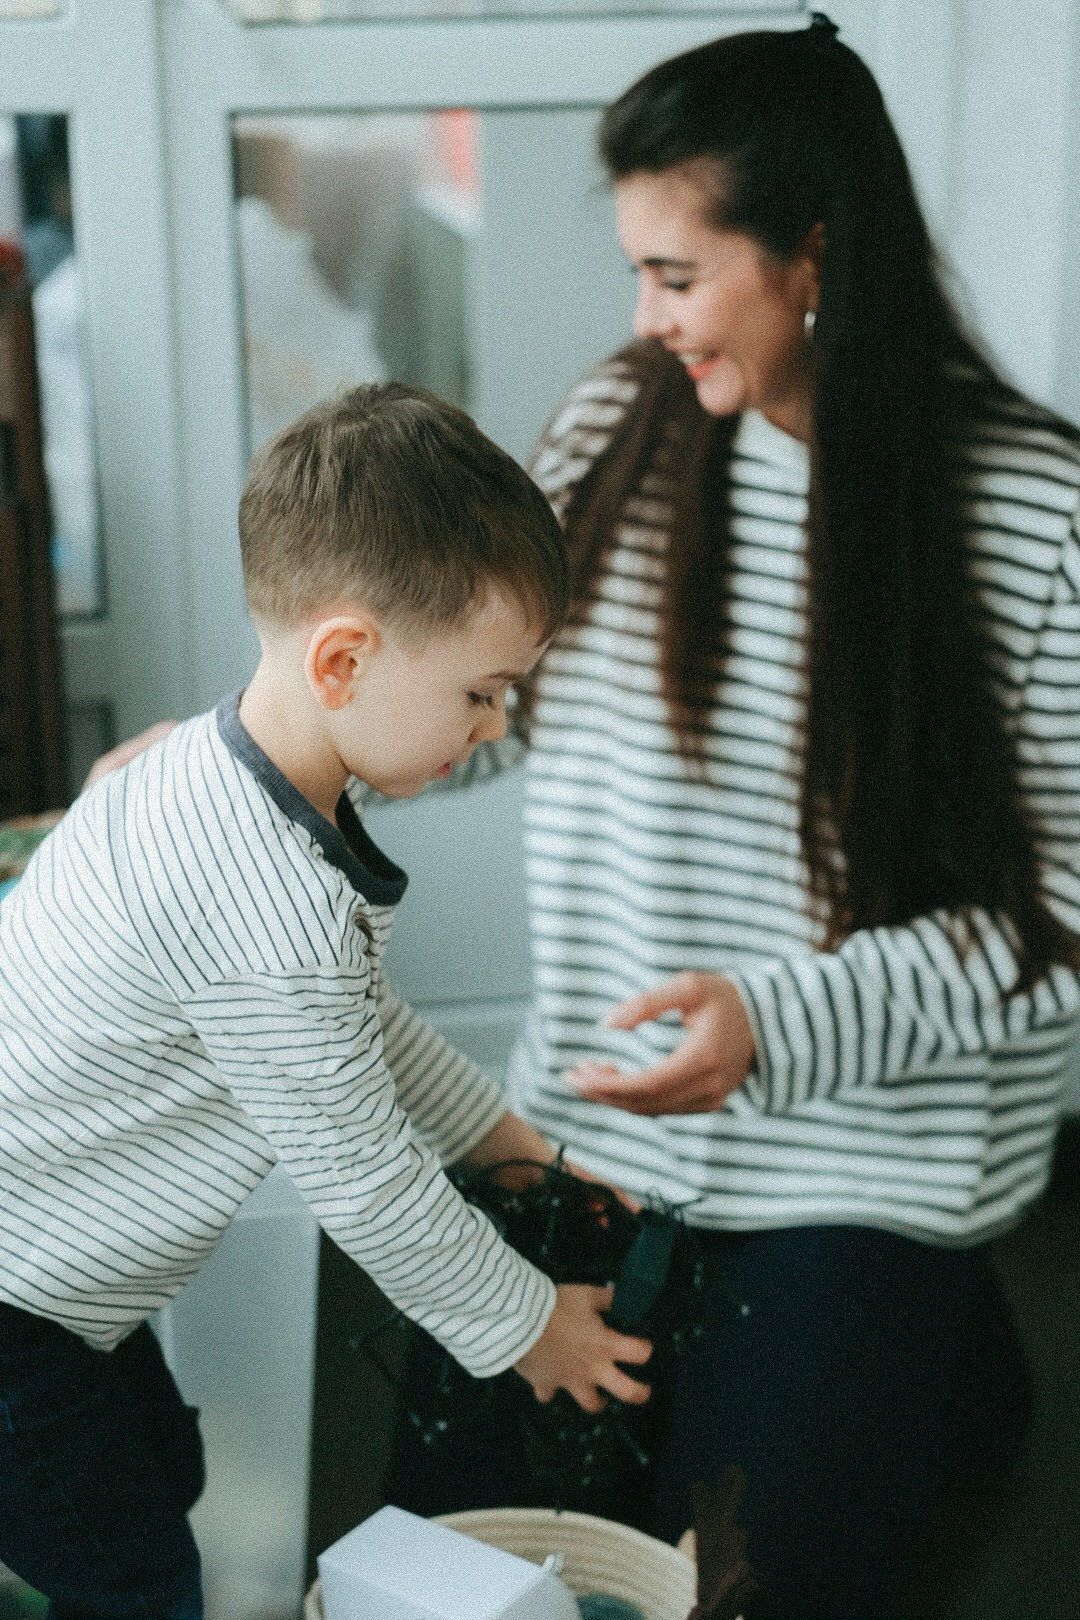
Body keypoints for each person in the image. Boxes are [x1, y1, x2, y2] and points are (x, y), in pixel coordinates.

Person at [384, 15, 1080, 1619]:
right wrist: (296, 752)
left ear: (815, 253)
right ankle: (949, 1380)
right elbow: (488, 709)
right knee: (434, 1575)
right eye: (636, 271)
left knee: (737, 1589)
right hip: (594, 1140)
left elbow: (1054, 920)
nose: (644, 320)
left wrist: (775, 1024)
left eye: (679, 276)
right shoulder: (616, 431)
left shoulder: (1033, 512)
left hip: (861, 1170)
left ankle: (928, 1348)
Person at [0, 383, 652, 1620]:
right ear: (344, 659)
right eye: (479, 692)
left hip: (48, 1280)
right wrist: (533, 1329)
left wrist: (518, 1150)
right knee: (141, 1580)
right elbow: (368, 1185)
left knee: (160, 1473)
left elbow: (375, 1032)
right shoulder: (269, 907)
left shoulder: (214, 773)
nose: (496, 721)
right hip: (16, 1306)